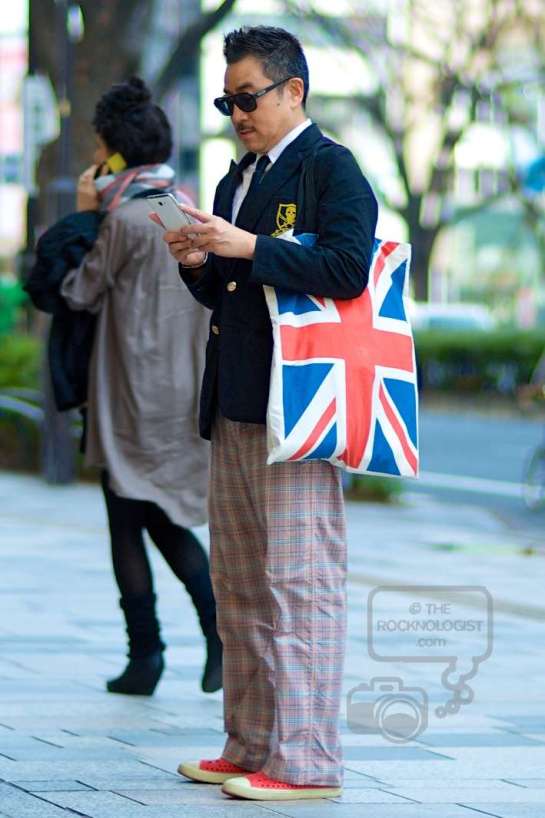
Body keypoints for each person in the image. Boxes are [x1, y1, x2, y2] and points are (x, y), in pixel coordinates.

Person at [163, 27, 378, 800]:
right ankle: (249, 742)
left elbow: (348, 269)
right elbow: (231, 290)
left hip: (300, 411)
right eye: (226, 100)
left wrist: (247, 245)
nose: (234, 112)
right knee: (243, 586)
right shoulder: (237, 178)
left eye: (245, 97)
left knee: (301, 584)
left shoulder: (331, 167)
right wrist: (198, 262)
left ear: (294, 91)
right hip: (236, 403)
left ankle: (308, 761)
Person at [60, 77, 222, 696]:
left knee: (133, 517)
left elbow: (79, 291)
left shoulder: (123, 219)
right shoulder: (189, 208)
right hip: (186, 391)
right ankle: (171, 649)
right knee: (148, 513)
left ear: (115, 152)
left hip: (130, 394)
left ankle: (160, 650)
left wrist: (84, 213)